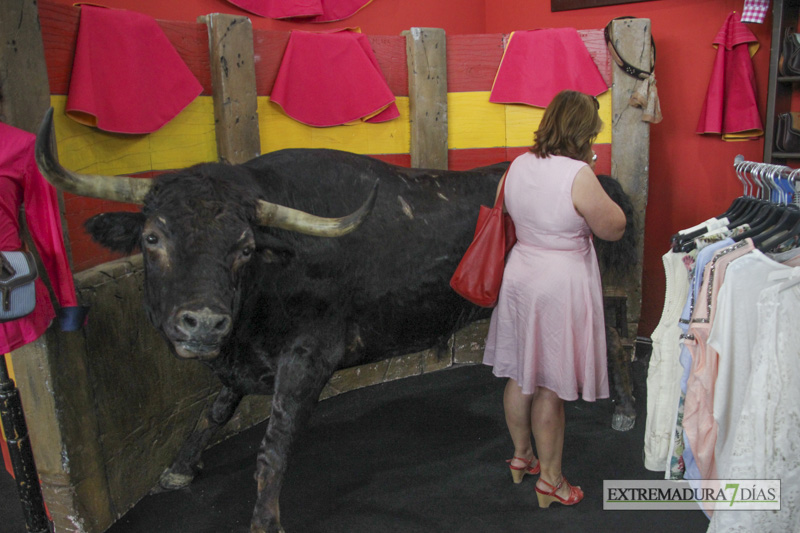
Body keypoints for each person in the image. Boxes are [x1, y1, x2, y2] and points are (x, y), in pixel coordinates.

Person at [482, 90, 626, 508]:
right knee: (549, 386)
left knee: (520, 374)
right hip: (559, 282)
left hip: (521, 273)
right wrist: (591, 173)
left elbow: (504, 210)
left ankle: (521, 458)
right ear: (582, 133)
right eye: (594, 134)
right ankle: (551, 481)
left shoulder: (519, 165)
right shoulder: (578, 175)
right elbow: (613, 227)